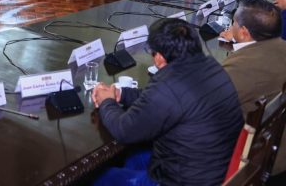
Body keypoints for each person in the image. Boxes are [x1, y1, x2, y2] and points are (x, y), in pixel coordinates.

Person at [92, 18, 243, 185]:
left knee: (102, 177)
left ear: (159, 58)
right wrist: (121, 94)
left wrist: (106, 101)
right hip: (215, 169)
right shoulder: (211, 67)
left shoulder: (168, 85)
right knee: (134, 157)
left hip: (185, 180)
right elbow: (159, 99)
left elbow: (124, 130)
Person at [219, 0, 286, 174]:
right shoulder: (285, 47)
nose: (231, 28)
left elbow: (206, 105)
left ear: (244, 32)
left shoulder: (243, 68)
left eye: (233, 23)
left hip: (258, 164)